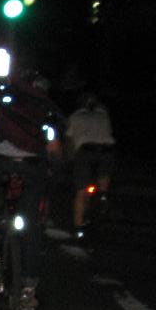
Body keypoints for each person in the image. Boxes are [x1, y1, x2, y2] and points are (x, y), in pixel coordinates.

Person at [0, 68, 62, 310]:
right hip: (32, 167)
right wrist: (53, 168)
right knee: (31, 224)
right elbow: (53, 148)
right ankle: (28, 290)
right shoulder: (45, 106)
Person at [65, 91, 115, 237]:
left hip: (86, 152)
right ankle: (103, 197)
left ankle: (78, 226)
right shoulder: (104, 115)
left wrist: (69, 159)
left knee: (81, 191)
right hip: (106, 151)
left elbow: (69, 141)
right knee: (103, 178)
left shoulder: (75, 117)